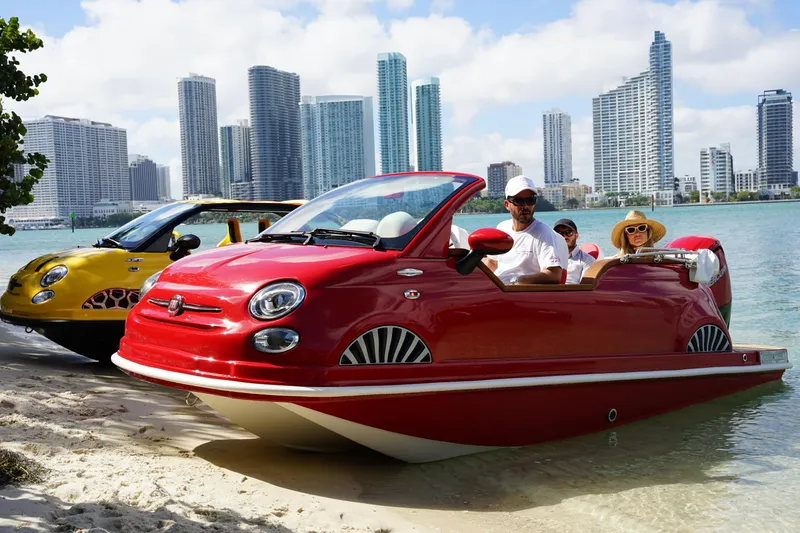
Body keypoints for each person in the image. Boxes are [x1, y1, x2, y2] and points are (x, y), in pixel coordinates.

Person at [484, 175, 567, 285]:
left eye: (530, 200)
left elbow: (554, 275)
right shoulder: (502, 228)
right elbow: (492, 263)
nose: (525, 206)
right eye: (518, 201)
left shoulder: (543, 232)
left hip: (519, 295)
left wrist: (516, 281)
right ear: (506, 204)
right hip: (497, 291)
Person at [553, 218, 596, 284]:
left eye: (569, 232)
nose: (564, 236)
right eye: (559, 234)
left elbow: (585, 289)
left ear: (576, 235)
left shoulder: (588, 260)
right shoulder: (547, 256)